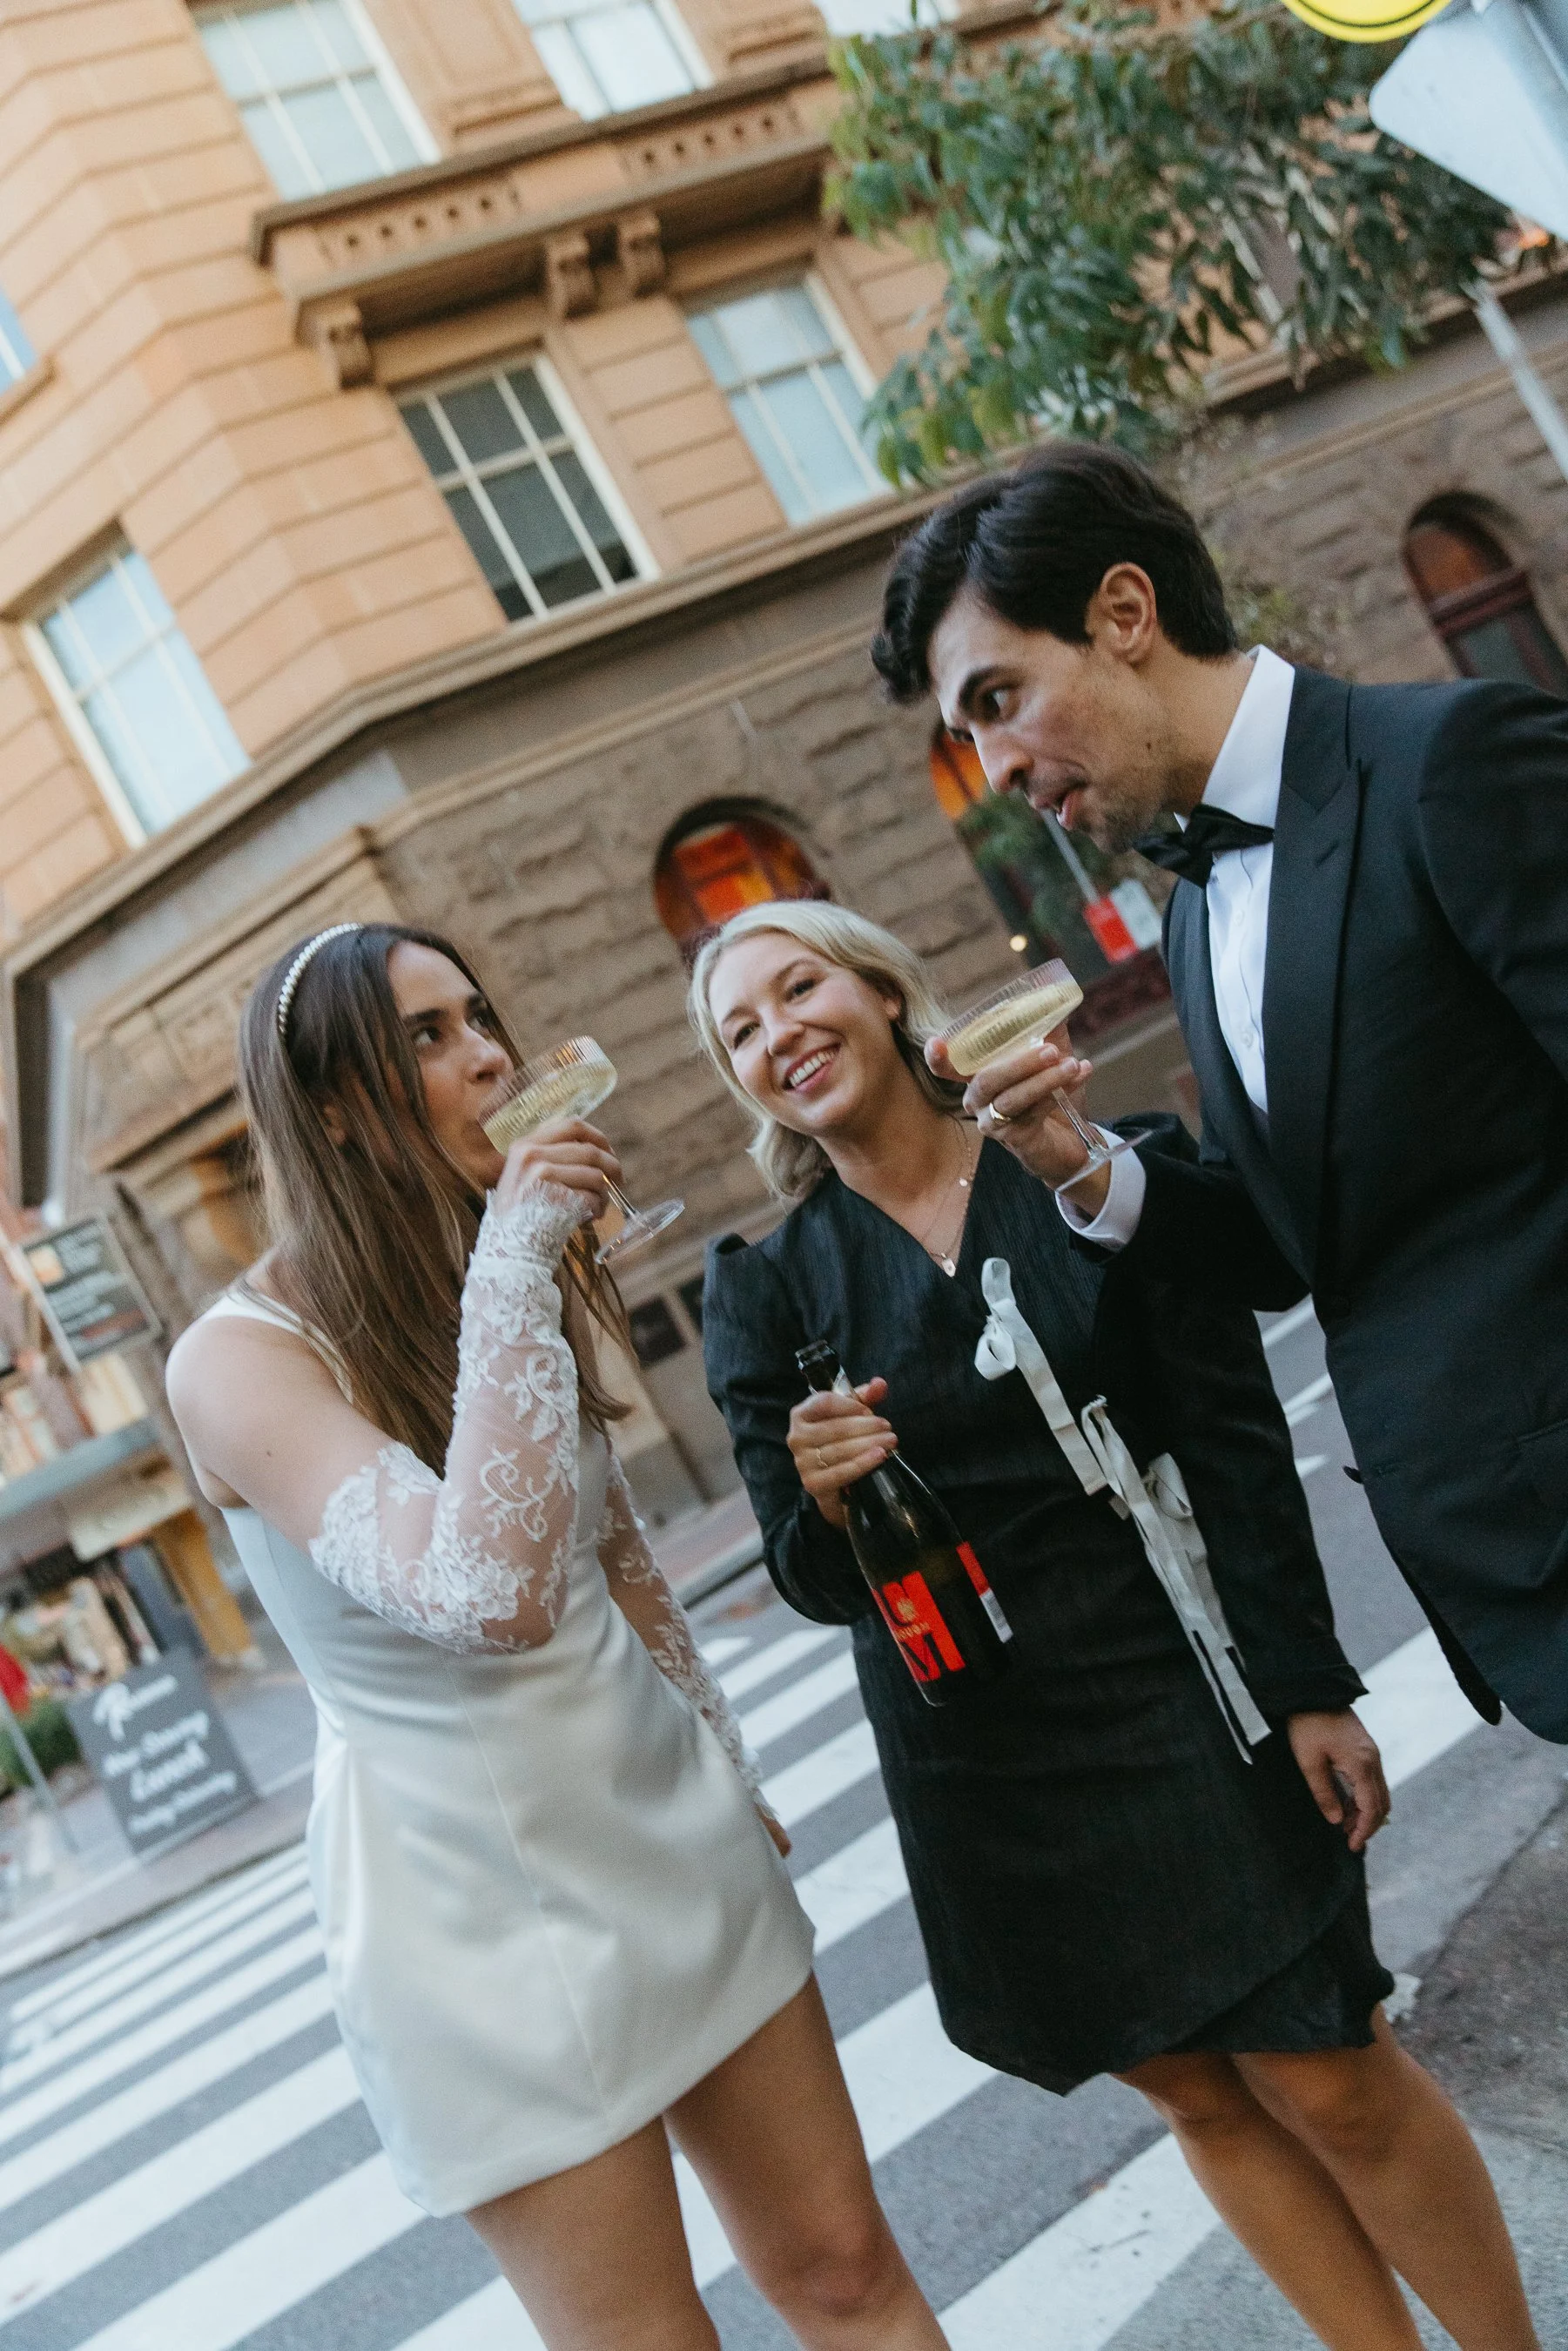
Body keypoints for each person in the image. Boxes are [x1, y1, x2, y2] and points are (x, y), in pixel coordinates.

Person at [694, 898, 1540, 2351]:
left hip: (1181, 1668)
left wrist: (1308, 1681)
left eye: (799, 986)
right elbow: (811, 1581)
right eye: (741, 1030)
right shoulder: (768, 1292)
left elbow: (1227, 1431)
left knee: (1332, 2065)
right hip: (989, 1751)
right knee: (1200, 2092)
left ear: (885, 993)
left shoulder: (1080, 1160)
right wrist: (825, 1505)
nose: (782, 1034)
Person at [165, 920, 947, 2351]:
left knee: (843, 2269)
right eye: (424, 1040)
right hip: (470, 1922)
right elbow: (487, 1592)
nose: (485, 1057)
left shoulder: (491, 1260)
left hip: (662, 1826)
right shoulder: (236, 1360)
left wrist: (725, 1762)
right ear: (334, 1108)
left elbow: (614, 1553)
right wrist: (519, 1254)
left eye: (476, 1018)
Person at [871, 440, 1568, 1746]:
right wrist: (1080, 1162)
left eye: (1001, 698)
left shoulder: (1450, 765)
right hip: (1509, 1589)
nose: (999, 773)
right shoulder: (1197, 918)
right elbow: (1286, 1246)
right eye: (970, 740)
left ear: (1125, 614)